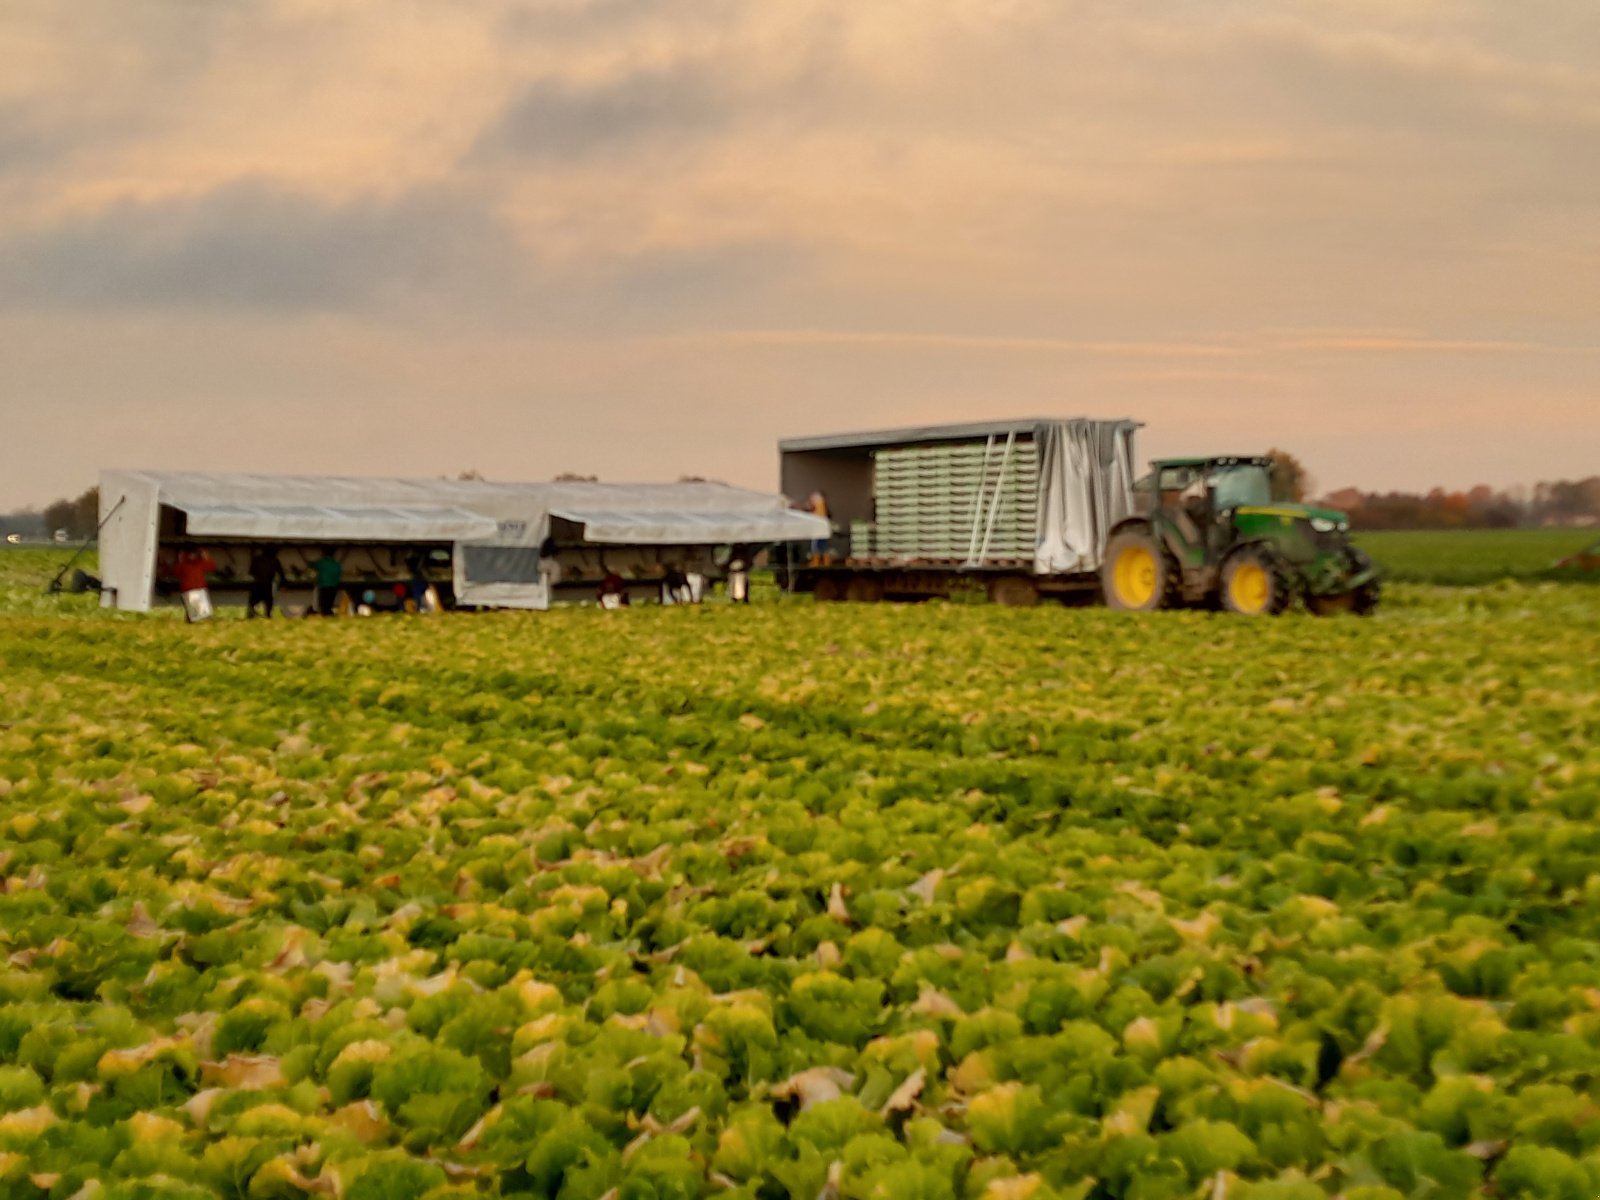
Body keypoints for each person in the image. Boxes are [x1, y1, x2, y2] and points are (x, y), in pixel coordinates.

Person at [175, 546, 218, 623]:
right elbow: (176, 571)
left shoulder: (200, 563)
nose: (192, 556)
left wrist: (206, 556)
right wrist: (180, 559)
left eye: (194, 554)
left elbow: (212, 567)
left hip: (199, 589)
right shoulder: (184, 565)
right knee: (194, 612)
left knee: (199, 612)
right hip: (189, 589)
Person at [247, 546, 286, 619]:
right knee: (268, 602)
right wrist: (283, 583)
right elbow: (281, 573)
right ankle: (267, 615)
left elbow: (251, 572)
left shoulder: (257, 559)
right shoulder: (274, 560)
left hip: (257, 583)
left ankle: (251, 615)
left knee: (253, 602)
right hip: (267, 584)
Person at [312, 548, 343, 616]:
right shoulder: (336, 564)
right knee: (329, 603)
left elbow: (312, 565)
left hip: (323, 585)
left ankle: (325, 614)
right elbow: (339, 573)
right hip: (333, 586)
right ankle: (329, 614)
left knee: (323, 604)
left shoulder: (321, 562)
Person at [806, 491, 831, 565]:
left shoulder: (819, 506)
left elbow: (816, 518)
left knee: (816, 546)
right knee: (823, 546)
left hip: (818, 530)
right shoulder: (822, 506)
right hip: (822, 530)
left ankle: (816, 561)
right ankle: (826, 561)